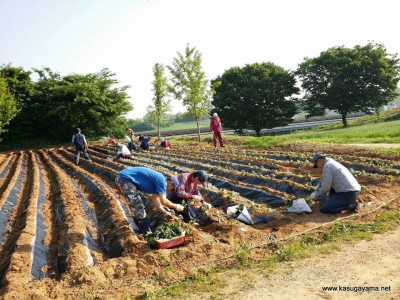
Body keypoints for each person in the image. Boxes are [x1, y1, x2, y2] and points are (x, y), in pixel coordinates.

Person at [115, 166, 184, 234]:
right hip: (125, 179)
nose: (170, 191)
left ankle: (144, 227)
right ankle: (146, 231)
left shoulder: (159, 184)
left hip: (126, 178)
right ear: (170, 183)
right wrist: (176, 206)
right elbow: (164, 201)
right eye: (172, 189)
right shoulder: (162, 181)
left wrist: (165, 212)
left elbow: (155, 201)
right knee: (138, 206)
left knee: (138, 203)